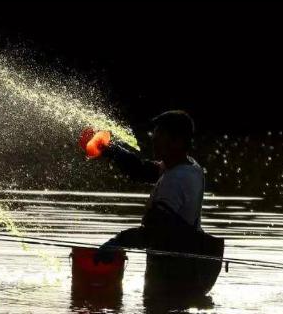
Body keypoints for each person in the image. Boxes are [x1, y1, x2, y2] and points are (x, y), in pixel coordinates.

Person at [87, 110, 223, 295]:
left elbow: (155, 233)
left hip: (172, 282)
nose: (154, 138)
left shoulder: (176, 180)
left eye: (160, 134)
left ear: (177, 142)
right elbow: (141, 171)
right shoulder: (188, 166)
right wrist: (110, 150)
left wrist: (118, 242)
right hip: (181, 275)